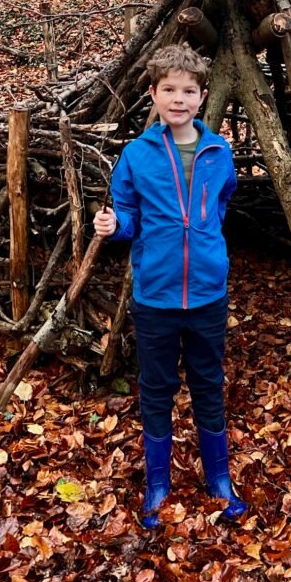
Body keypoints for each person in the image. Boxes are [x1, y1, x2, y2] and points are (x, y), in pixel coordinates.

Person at [94, 44, 246, 528]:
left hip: (207, 291)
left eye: (188, 91)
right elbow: (128, 216)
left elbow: (221, 203)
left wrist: (203, 241)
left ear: (202, 96)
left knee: (208, 382)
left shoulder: (218, 152)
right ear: (154, 95)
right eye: (168, 90)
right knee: (156, 387)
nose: (178, 99)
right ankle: (157, 483)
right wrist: (113, 226)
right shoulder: (137, 156)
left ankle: (218, 478)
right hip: (155, 293)